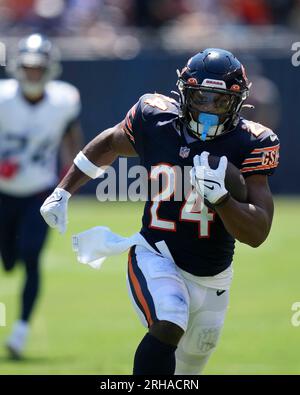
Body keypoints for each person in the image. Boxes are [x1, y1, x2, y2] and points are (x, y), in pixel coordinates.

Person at [40, 48, 280, 374]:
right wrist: (62, 191)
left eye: (219, 101)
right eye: (200, 98)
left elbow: (258, 233)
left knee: (190, 366)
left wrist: (223, 200)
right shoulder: (155, 119)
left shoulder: (252, 142)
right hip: (155, 253)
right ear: (184, 93)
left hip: (214, 274)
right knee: (170, 320)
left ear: (237, 102)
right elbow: (110, 142)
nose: (208, 109)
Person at [0, 33, 82, 358]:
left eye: (39, 68)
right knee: (9, 263)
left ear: (49, 69)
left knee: (31, 256)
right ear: (19, 68)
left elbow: (72, 138)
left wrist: (71, 178)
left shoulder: (64, 100)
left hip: (38, 191)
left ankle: (20, 331)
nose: (33, 74)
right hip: (1, 193)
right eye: (29, 68)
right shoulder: (3, 98)